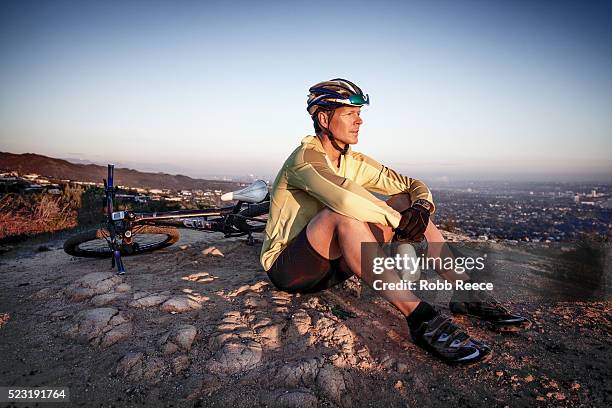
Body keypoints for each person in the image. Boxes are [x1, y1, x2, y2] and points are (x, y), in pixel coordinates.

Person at [260, 78, 529, 365]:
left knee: (403, 200)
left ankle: (465, 292)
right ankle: (420, 318)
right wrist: (400, 222)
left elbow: (411, 185)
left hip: (336, 265)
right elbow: (346, 200)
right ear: (324, 118)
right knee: (342, 216)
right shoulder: (305, 160)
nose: (359, 121)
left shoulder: (353, 160)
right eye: (351, 114)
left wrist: (422, 207)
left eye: (360, 114)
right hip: (291, 268)